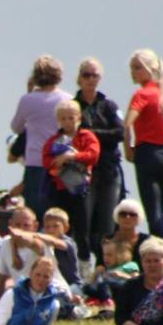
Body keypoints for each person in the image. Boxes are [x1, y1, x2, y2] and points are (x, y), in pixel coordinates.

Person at [124, 49, 163, 240]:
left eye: (138, 68)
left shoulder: (142, 94)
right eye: (132, 68)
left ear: (150, 69)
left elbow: (127, 124)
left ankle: (157, 251)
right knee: (159, 209)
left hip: (148, 153)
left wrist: (128, 148)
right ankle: (159, 249)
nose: (133, 73)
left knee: (153, 211)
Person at [74, 58, 125, 267]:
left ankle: (104, 267)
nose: (90, 79)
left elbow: (120, 132)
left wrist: (90, 134)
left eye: (94, 75)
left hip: (108, 170)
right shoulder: (73, 105)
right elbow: (72, 134)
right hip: (83, 171)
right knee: (83, 221)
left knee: (107, 222)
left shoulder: (109, 105)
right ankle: (84, 263)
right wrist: (100, 136)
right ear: (79, 78)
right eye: (86, 75)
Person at [42, 100, 101, 266]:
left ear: (79, 118)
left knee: (82, 230)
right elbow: (46, 160)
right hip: (60, 188)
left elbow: (93, 155)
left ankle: (84, 265)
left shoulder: (87, 136)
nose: (68, 122)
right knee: (58, 226)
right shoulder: (55, 140)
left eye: (71, 118)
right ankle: (58, 263)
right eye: (63, 118)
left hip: (81, 189)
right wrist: (57, 162)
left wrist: (73, 156)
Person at [10, 55, 69, 220]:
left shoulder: (28, 100)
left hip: (35, 162)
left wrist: (29, 93)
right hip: (60, 162)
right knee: (57, 215)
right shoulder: (67, 99)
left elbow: (16, 127)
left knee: (35, 214)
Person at [83, 237, 138, 315]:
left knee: (105, 284)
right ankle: (97, 299)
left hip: (122, 289)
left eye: (109, 255)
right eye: (104, 255)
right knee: (87, 287)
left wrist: (122, 275)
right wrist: (96, 274)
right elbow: (92, 283)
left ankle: (107, 301)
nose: (105, 258)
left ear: (121, 255)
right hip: (107, 289)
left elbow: (136, 280)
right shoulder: (108, 268)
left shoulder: (130, 265)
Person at [109, 198, 150, 264]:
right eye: (123, 214)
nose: (127, 217)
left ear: (139, 218)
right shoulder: (108, 240)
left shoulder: (147, 241)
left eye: (132, 214)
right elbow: (100, 265)